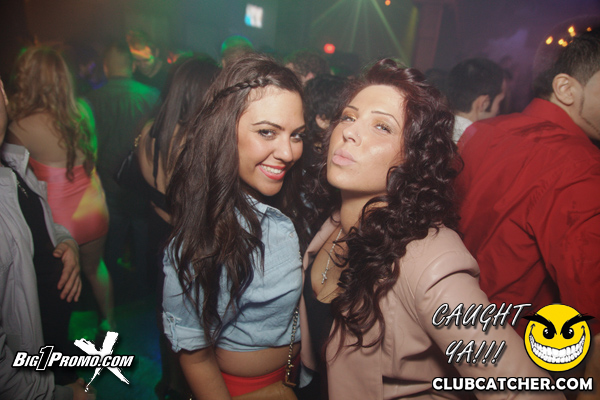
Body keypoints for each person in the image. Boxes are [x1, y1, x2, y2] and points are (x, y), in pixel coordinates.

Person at [299, 59, 564, 399]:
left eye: (382, 127)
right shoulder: (334, 223)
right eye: (349, 117)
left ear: (413, 158)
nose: (349, 131)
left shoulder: (430, 261)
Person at [162, 54, 310, 399]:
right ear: (224, 131)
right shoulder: (203, 236)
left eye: (297, 135)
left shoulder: (290, 201)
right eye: (267, 132)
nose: (288, 152)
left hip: (293, 376)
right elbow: (194, 353)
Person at [456, 26, 600, 338]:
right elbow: (591, 304)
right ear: (565, 88)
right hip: (518, 346)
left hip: (453, 324)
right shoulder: (582, 165)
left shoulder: (482, 131)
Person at [6, 45, 112, 355]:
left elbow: (13, 176)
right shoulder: (82, 110)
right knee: (96, 268)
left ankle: (59, 348)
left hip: (57, 218)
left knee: (61, 283)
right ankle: (110, 324)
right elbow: (93, 155)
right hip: (93, 206)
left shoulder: (20, 125)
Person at [0, 77, 91, 400]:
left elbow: (42, 223)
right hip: (35, 377)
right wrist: (58, 394)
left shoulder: (13, 161)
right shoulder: (75, 113)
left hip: (49, 341)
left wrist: (67, 243)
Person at [136, 54, 220, 400]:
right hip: (189, 240)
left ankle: (169, 382)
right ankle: (187, 387)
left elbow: (154, 193)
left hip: (158, 234)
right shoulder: (197, 143)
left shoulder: (148, 132)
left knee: (166, 315)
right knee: (194, 322)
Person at [86, 41, 160, 304]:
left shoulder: (91, 99)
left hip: (107, 183)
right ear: (132, 66)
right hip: (141, 182)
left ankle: (112, 293)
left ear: (106, 68)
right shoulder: (152, 95)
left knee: (112, 240)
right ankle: (143, 291)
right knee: (142, 237)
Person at [445, 57, 506, 143]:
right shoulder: (477, 143)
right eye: (499, 102)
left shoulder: (434, 128)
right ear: (484, 103)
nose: (498, 111)